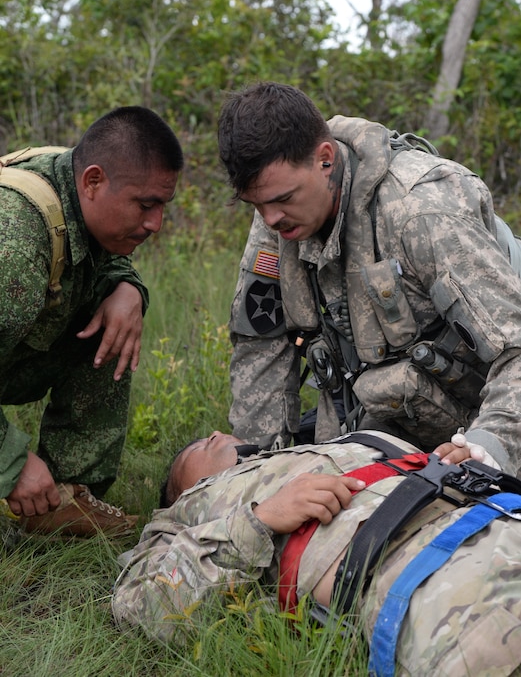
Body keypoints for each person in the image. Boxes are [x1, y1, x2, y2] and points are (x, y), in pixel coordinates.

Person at [217, 80, 521, 476]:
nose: (271, 219)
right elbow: (261, 353)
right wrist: (257, 475)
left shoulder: (421, 210)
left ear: (325, 160)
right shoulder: (278, 217)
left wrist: (489, 447)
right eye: (256, 205)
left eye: (281, 200)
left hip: (492, 419)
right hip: (391, 420)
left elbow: (515, 349)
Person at [111, 430, 521, 674]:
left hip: (499, 521)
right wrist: (261, 520)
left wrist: (454, 463)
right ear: (177, 495)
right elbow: (137, 606)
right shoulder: (186, 516)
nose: (216, 434)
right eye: (198, 446)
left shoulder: (337, 441)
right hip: (436, 588)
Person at [0, 106, 183, 536]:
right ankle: (31, 487)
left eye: (163, 206)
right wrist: (11, 460)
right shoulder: (14, 249)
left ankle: (62, 498)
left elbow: (92, 256)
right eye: (146, 205)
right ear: (93, 181)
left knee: (113, 320)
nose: (155, 223)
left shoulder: (77, 186)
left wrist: (129, 289)